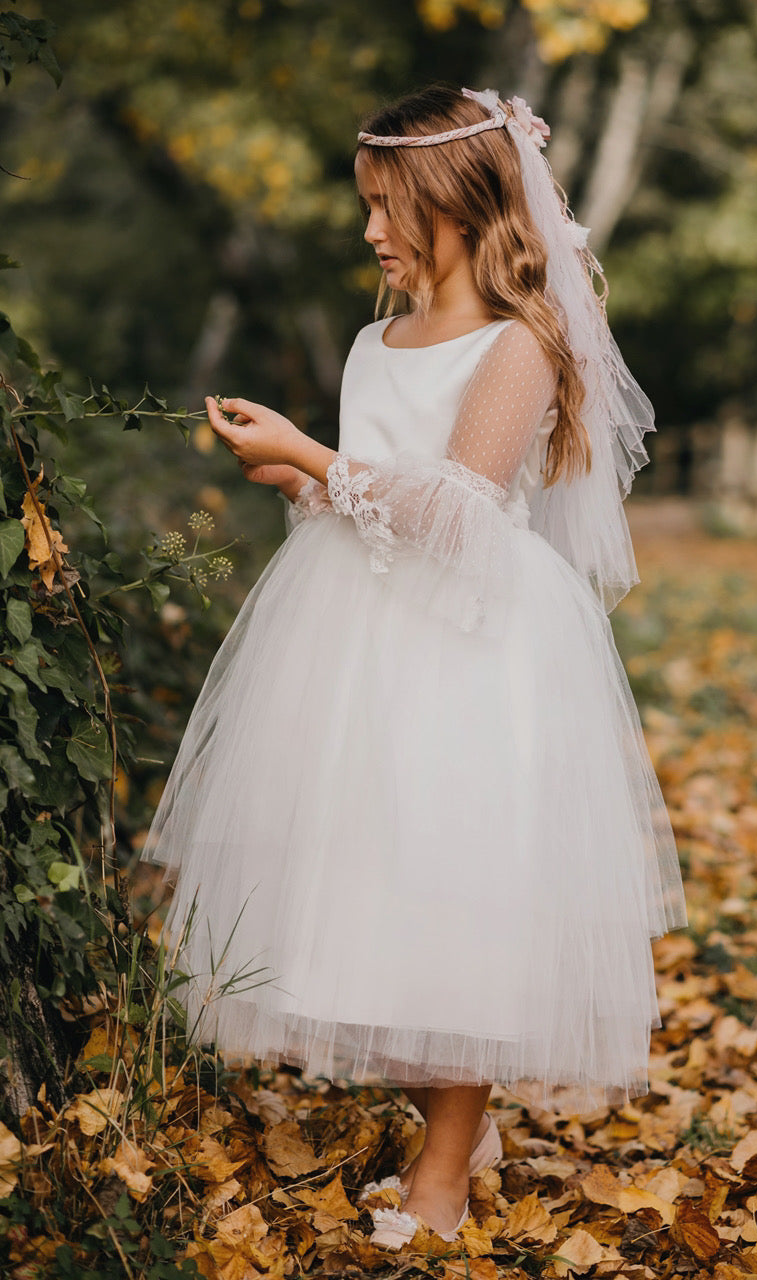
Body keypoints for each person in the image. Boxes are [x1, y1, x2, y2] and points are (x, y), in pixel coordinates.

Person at [143, 84, 687, 1249]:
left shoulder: (519, 343)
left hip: (473, 647)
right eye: (366, 207)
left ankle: (445, 1163)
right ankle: (447, 1118)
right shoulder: (369, 340)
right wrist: (293, 476)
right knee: (371, 884)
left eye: (387, 207)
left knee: (459, 887)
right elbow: (361, 513)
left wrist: (313, 454)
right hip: (359, 637)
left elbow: (457, 513)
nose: (370, 232)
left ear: (455, 201)